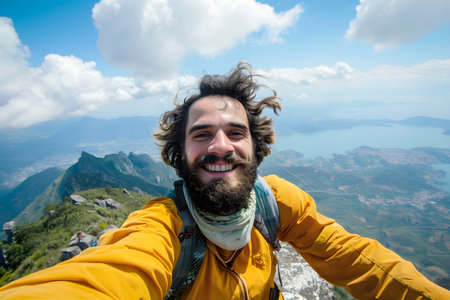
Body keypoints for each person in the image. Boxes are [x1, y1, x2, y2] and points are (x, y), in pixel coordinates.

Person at [0, 62, 448, 299]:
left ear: (256, 146)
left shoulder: (278, 203)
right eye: (201, 135)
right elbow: (105, 278)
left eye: (236, 133)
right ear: (180, 155)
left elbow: (356, 258)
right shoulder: (159, 230)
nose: (220, 146)